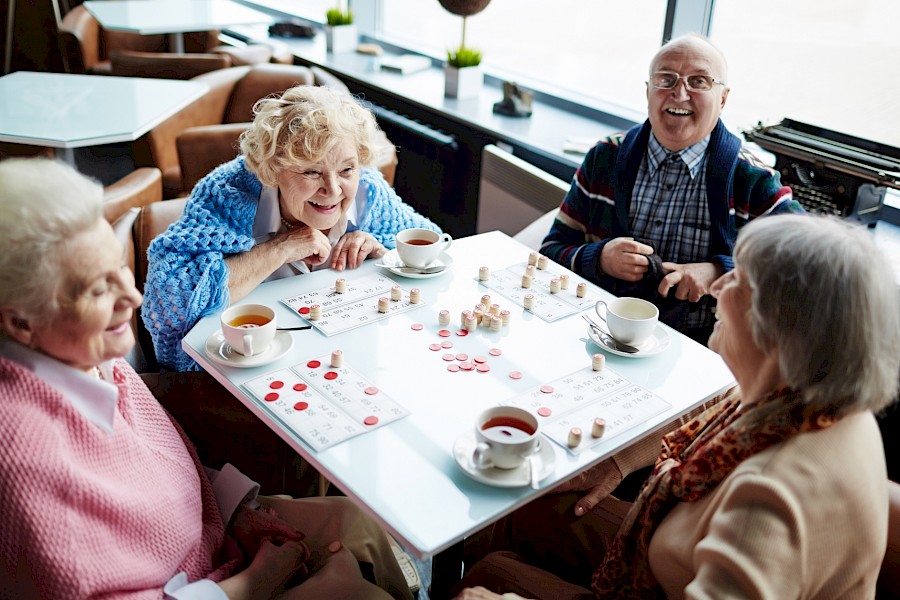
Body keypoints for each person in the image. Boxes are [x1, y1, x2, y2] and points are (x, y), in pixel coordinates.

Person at [0, 158, 413, 600]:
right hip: (211, 587)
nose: (133, 297)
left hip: (214, 541)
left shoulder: (84, 351)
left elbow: (160, 465)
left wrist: (239, 512)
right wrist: (257, 582)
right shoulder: (24, 459)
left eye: (119, 270)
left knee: (360, 522)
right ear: (21, 323)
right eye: (98, 290)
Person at [454, 213, 899, 599]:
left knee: (488, 576)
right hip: (664, 557)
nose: (718, 286)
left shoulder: (769, 500)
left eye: (740, 280)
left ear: (782, 330)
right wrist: (618, 463)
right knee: (528, 505)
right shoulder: (807, 395)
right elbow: (705, 409)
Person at [143, 85, 440, 371]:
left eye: (347, 169)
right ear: (273, 169)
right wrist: (279, 249)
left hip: (344, 357)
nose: (333, 189)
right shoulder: (225, 194)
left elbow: (432, 255)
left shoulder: (368, 192)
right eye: (311, 171)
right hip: (245, 372)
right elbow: (170, 302)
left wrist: (383, 253)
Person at [541, 33, 803, 344]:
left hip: (701, 349)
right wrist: (599, 258)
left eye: (699, 81)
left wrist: (721, 273)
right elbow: (550, 251)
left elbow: (804, 268)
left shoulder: (752, 179)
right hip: (600, 335)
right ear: (648, 90)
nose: (679, 93)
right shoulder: (605, 157)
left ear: (723, 98)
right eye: (666, 79)